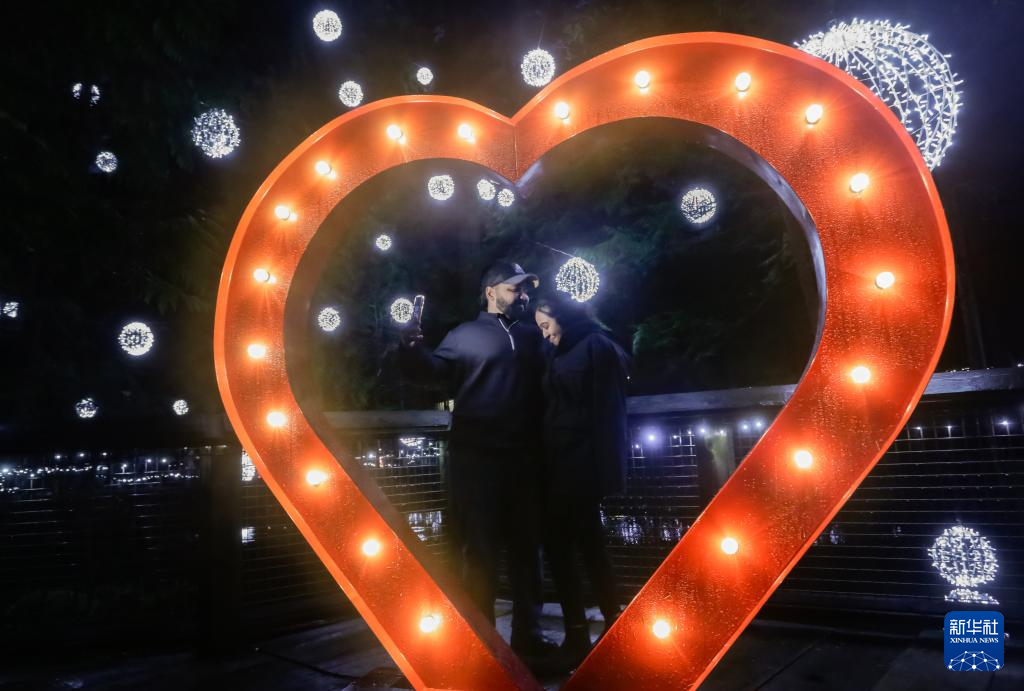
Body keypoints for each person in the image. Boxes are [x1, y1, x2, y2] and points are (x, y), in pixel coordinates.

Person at [398, 260, 555, 659]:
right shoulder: (464, 335)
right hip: (476, 461)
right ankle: (481, 642)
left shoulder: (533, 336)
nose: (523, 296)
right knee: (479, 553)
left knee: (527, 553)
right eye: (515, 288)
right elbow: (431, 373)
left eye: (525, 289)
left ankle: (529, 639)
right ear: (491, 292)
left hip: (525, 461)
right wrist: (410, 349)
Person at [534, 291, 631, 667]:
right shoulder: (557, 351)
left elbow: (608, 414)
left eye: (546, 325)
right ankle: (589, 628)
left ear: (562, 316)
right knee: (568, 546)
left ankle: (601, 627)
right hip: (556, 463)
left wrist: (606, 472)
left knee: (584, 544)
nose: (544, 333)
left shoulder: (596, 347)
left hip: (580, 464)